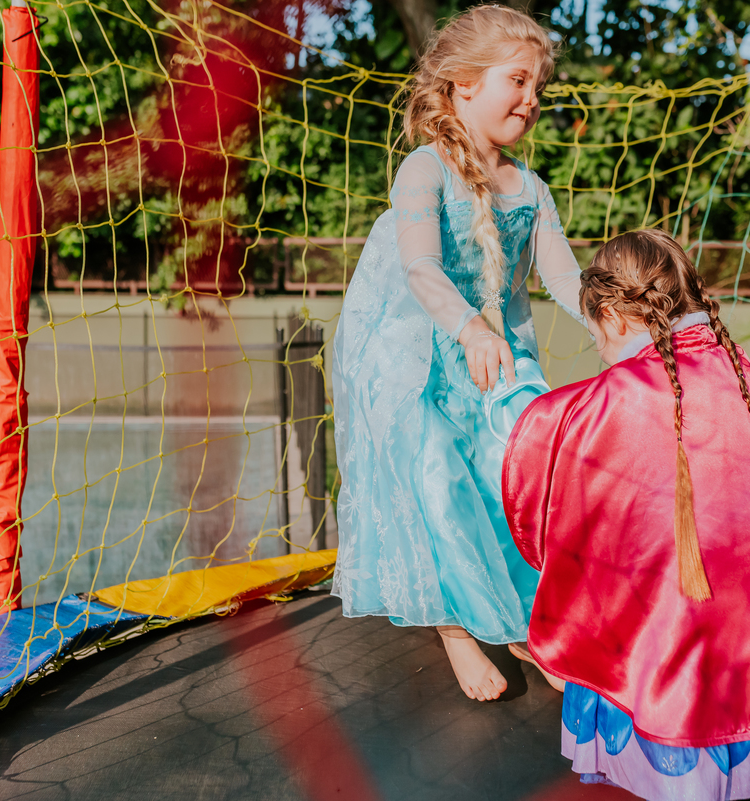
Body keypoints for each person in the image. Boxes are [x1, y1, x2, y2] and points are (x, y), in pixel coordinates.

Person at [502, 229, 750, 800]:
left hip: (686, 624)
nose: (597, 344)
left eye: (594, 330)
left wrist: (513, 396)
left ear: (616, 315)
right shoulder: (735, 365)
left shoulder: (621, 393)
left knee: (655, 609)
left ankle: (685, 774)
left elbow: (557, 452)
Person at [329, 5, 584, 702]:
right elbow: (421, 267)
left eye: (539, 87)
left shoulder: (530, 187)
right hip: (416, 361)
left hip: (494, 364)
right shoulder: (424, 168)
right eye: (518, 81)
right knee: (436, 486)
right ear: (464, 84)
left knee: (511, 486)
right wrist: (471, 326)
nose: (531, 100)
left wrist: (618, 322)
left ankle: (526, 625)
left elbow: (561, 275)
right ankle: (458, 631)